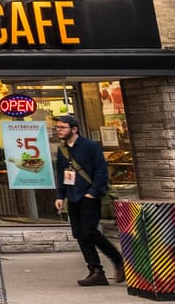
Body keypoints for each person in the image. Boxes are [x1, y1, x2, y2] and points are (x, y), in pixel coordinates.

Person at [52, 114, 124, 286]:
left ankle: (118, 259)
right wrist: (60, 196)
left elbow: (101, 170)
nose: (59, 131)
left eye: (62, 127)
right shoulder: (62, 150)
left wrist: (93, 192)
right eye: (58, 128)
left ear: (74, 129)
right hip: (73, 196)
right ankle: (95, 271)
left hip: (89, 196)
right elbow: (62, 174)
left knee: (90, 231)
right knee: (80, 235)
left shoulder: (90, 146)